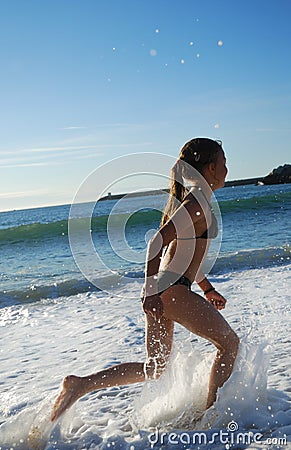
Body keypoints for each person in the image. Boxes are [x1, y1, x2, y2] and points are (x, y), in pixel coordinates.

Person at [51, 137, 239, 422]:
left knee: (155, 368)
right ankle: (209, 415)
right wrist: (150, 292)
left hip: (168, 288)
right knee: (229, 344)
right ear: (211, 168)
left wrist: (207, 288)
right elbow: (156, 242)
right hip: (170, 291)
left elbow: (184, 255)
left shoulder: (197, 202)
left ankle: (80, 385)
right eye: (224, 163)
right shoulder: (198, 203)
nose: (227, 168)